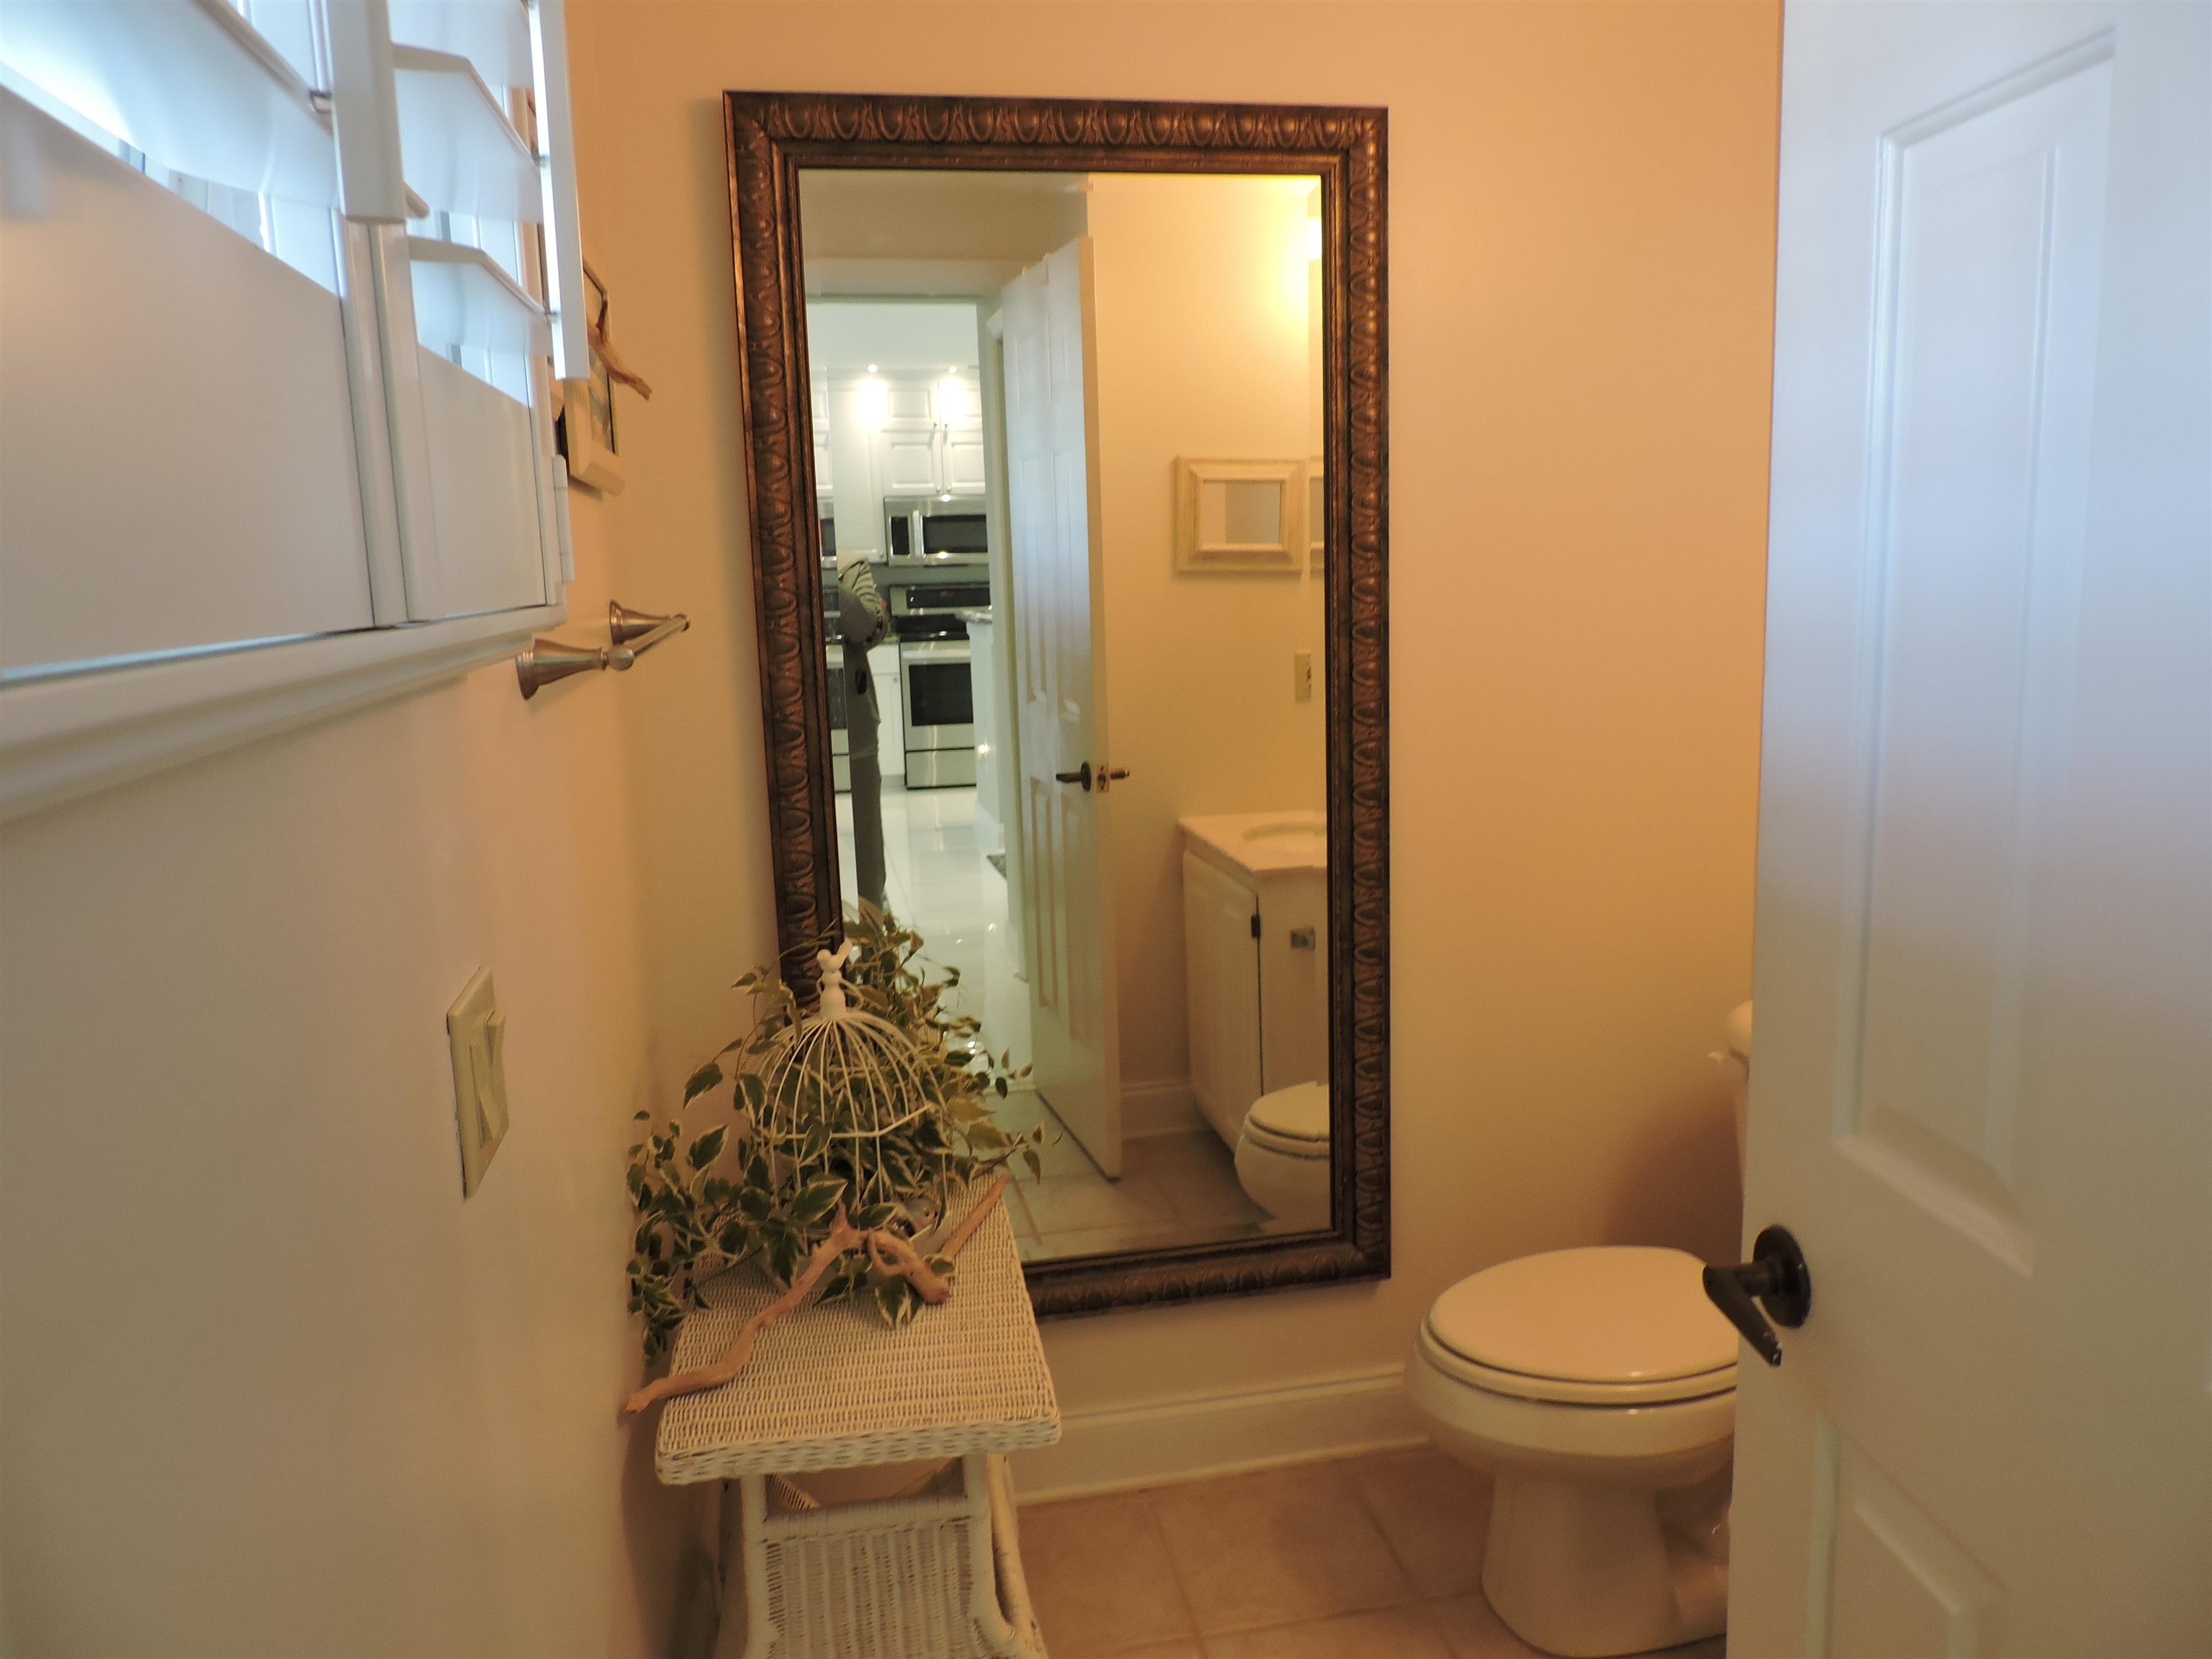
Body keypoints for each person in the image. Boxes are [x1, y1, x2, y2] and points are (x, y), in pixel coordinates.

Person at [835, 547, 891, 913]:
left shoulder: (852, 566)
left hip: (855, 723)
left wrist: (826, 581)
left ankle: (872, 919)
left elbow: (866, 626)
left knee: (867, 827)